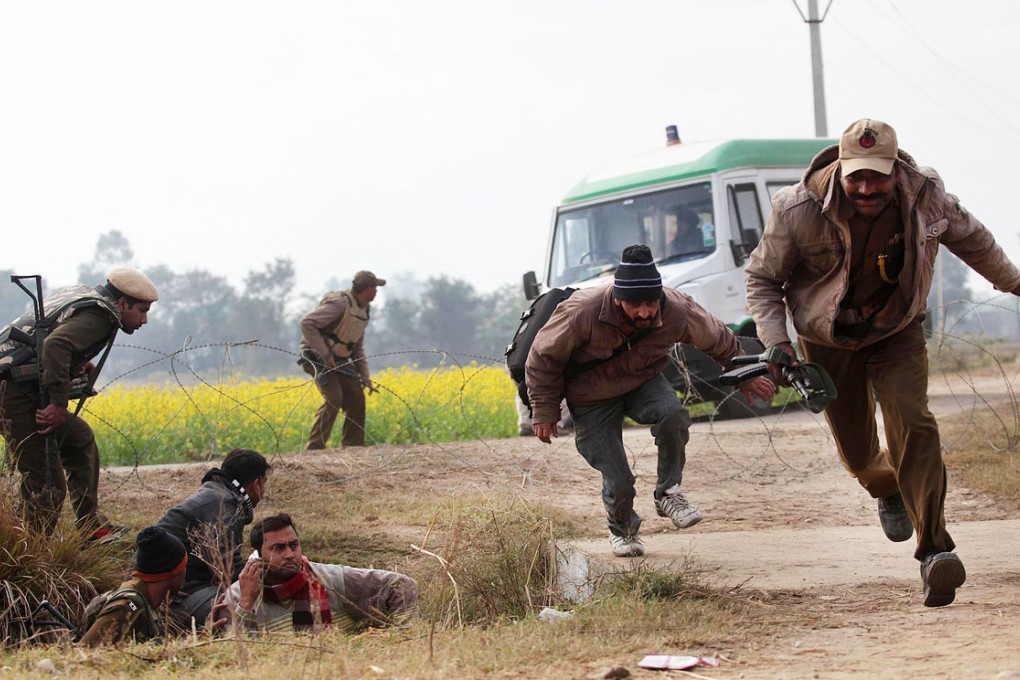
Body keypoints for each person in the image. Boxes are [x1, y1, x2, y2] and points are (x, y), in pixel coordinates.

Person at [745, 118, 1020, 607]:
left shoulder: (926, 195)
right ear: (841, 170)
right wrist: (777, 344)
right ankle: (886, 486)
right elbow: (763, 280)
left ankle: (934, 551)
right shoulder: (797, 208)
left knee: (914, 425)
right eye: (857, 177)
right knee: (856, 452)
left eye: (878, 176)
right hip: (826, 339)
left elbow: (973, 239)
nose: (867, 188)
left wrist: (1015, 283)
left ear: (896, 170)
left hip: (896, 331)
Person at [525, 244, 775, 557]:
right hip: (591, 396)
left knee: (673, 414)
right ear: (617, 298)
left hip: (642, 381)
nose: (645, 312)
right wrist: (545, 410)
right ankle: (623, 530)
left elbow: (718, 338)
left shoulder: (676, 309)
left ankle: (668, 492)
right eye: (635, 305)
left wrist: (745, 373)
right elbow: (542, 358)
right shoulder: (582, 312)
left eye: (650, 303)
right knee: (619, 479)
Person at [0, 268, 158, 541]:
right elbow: (57, 343)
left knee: (79, 438)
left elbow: (54, 335)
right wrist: (58, 405)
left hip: (22, 388)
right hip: (13, 394)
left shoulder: (85, 296)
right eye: (142, 310)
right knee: (46, 484)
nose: (144, 320)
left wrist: (77, 360)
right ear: (122, 304)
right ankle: (31, 552)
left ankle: (90, 526)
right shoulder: (100, 316)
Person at [227, 513, 418, 633]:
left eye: (294, 545)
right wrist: (246, 603)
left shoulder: (330, 580)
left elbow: (402, 585)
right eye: (278, 548)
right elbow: (236, 656)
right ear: (257, 554)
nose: (290, 555)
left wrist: (403, 637)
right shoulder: (236, 595)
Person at [155, 448, 270, 630]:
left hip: (172, 593)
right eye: (264, 483)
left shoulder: (216, 495)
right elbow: (228, 570)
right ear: (256, 484)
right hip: (172, 600)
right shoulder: (223, 505)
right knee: (258, 600)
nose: (263, 493)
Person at [299, 271, 385, 449]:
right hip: (317, 358)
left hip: (341, 360)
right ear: (365, 289)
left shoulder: (363, 310)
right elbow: (307, 323)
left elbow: (356, 347)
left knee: (356, 399)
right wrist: (325, 354)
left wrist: (365, 377)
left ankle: (353, 446)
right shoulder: (339, 305)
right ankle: (315, 447)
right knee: (334, 399)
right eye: (374, 287)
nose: (376, 291)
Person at [79, 526, 187, 647]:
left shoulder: (148, 603)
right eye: (184, 566)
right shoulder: (125, 608)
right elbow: (84, 653)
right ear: (172, 573)